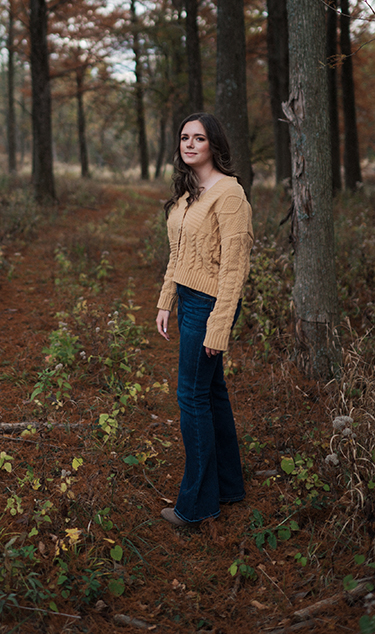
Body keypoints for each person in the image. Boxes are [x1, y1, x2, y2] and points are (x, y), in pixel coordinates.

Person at [156, 112, 253, 527]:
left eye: (199, 138)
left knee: (191, 398)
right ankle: (229, 487)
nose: (190, 144)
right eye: (184, 138)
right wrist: (166, 300)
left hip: (211, 304)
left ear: (214, 144)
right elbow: (177, 255)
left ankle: (196, 506)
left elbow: (235, 268)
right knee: (212, 394)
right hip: (189, 299)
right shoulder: (186, 196)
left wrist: (218, 324)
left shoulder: (230, 195)